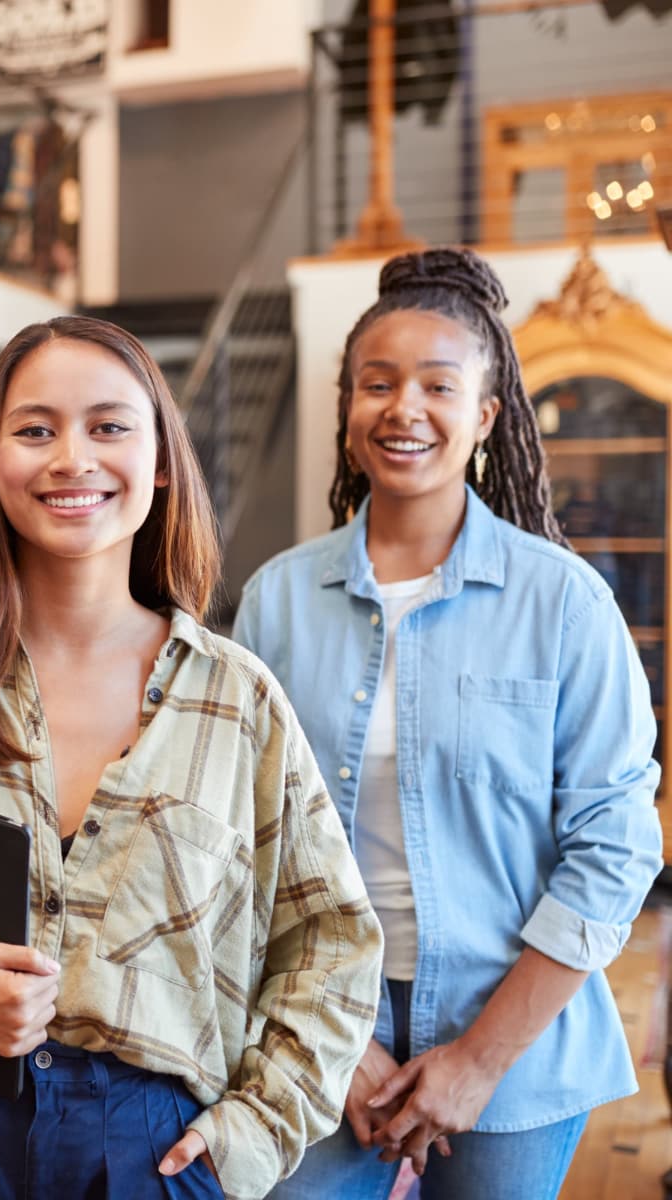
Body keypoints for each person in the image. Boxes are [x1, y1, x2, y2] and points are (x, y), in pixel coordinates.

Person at [0, 316, 384, 1200]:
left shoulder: (235, 700)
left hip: (153, 1150)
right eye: (36, 429)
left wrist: (253, 1130)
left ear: (161, 460)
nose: (71, 458)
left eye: (109, 426)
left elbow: (330, 942)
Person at [233, 248, 663, 1200]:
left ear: (485, 417)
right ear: (347, 413)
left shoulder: (564, 603)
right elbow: (240, 845)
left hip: (518, 1032)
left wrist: (478, 1060)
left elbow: (616, 845)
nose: (403, 408)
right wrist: (325, 1043)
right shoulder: (275, 602)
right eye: (375, 384)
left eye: (438, 384)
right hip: (318, 1024)